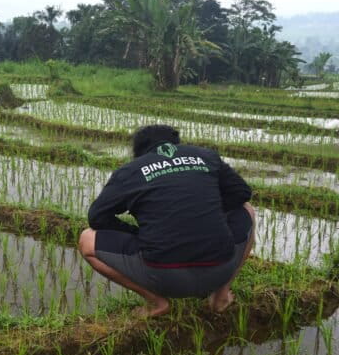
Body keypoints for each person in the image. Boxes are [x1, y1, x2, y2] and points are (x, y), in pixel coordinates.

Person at [77, 124, 255, 317]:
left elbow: (96, 216)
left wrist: (136, 233)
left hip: (164, 277)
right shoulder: (206, 156)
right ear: (175, 143)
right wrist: (206, 211)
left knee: (87, 239)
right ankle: (221, 296)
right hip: (220, 269)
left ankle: (157, 303)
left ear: (139, 151)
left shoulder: (130, 171)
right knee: (247, 209)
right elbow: (242, 193)